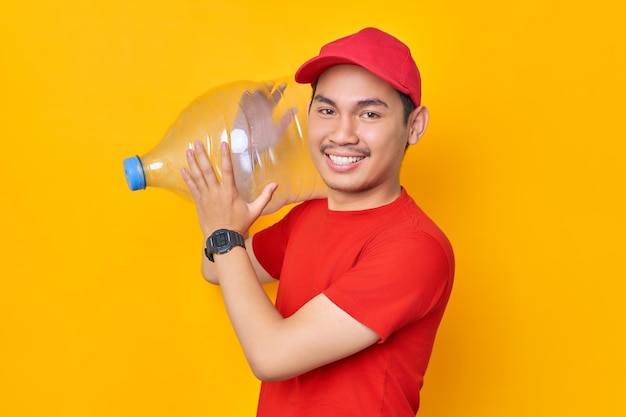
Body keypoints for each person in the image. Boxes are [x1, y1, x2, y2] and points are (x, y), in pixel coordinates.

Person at [181, 27, 455, 417]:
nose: (342, 134)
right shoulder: (308, 215)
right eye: (327, 110)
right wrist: (246, 169)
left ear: (414, 126)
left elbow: (271, 355)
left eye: (369, 113)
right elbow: (215, 266)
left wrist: (225, 233)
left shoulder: (414, 247)